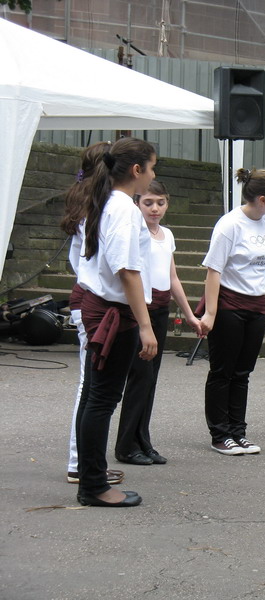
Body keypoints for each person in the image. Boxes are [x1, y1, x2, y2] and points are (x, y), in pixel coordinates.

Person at [74, 137, 158, 507]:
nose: (153, 175)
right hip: (113, 314)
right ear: (137, 170)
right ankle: (93, 486)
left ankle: (91, 478)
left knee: (94, 396)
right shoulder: (123, 208)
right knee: (102, 400)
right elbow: (127, 270)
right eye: (151, 168)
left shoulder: (107, 200)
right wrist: (145, 325)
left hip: (100, 307)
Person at [198, 168, 265, 456]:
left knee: (243, 372)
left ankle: (238, 432)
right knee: (222, 371)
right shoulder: (230, 225)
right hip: (230, 305)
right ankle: (220, 435)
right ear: (262, 199)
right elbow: (214, 270)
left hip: (256, 306)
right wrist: (210, 313)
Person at [114, 181, 202, 465]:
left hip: (162, 308)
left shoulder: (167, 234)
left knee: (150, 378)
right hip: (142, 310)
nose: (155, 208)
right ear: (137, 204)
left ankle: (143, 440)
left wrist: (189, 314)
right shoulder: (136, 234)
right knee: (139, 377)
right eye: (148, 202)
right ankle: (126, 446)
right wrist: (143, 322)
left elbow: (172, 277)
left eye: (160, 203)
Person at [60, 141, 125, 486]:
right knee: (91, 387)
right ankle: (80, 463)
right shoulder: (101, 204)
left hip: (86, 295)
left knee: (92, 387)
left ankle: (86, 462)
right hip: (91, 299)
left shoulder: (91, 200)